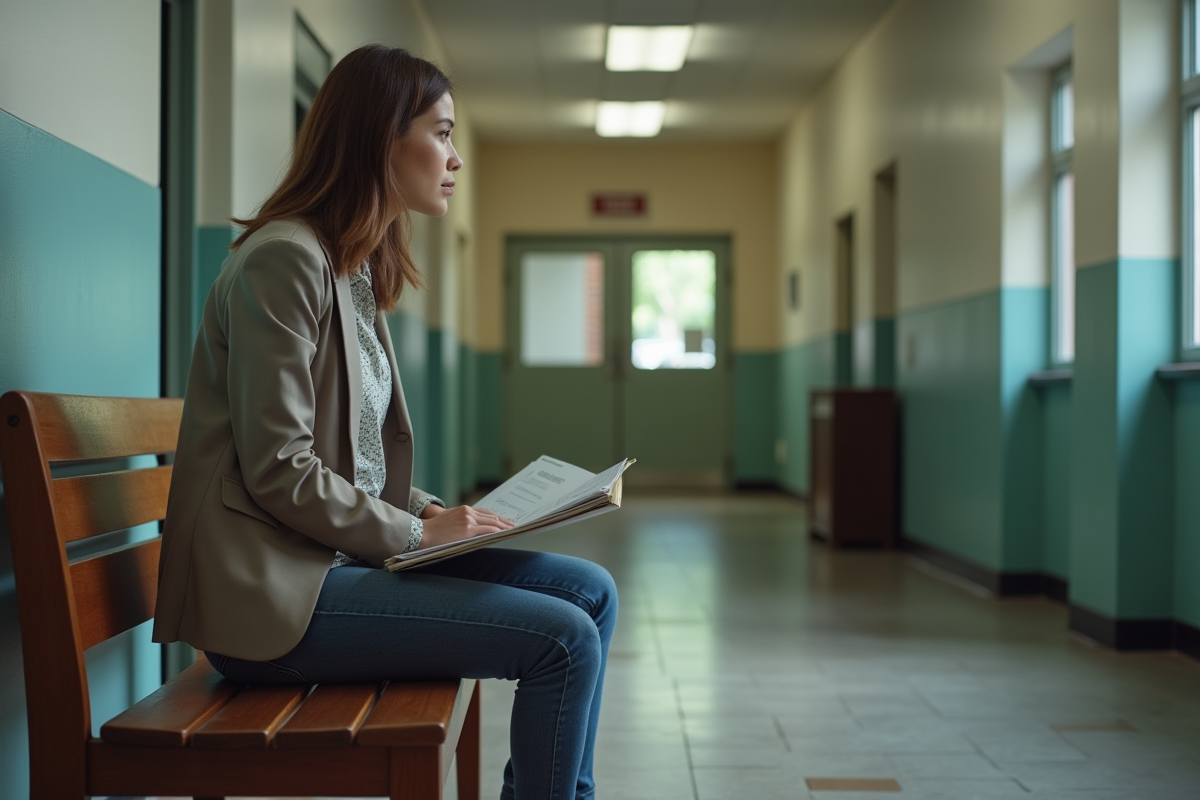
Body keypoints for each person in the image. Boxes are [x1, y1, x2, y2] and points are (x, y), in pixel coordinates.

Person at [152, 44, 617, 800]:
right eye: (440, 132)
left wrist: (430, 510)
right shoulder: (285, 261)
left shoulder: (351, 266)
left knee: (592, 593)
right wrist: (414, 536)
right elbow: (280, 467)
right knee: (562, 642)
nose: (454, 157)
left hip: (328, 566)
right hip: (276, 602)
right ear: (380, 139)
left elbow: (353, 459)